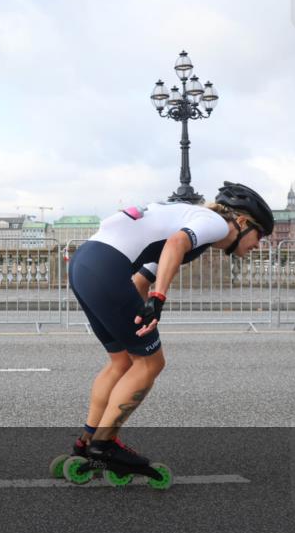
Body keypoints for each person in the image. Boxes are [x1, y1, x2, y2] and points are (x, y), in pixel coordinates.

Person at [63, 182, 273, 473]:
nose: (258, 245)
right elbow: (175, 244)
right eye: (259, 235)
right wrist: (157, 300)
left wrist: (136, 318)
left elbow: (143, 278)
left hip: (84, 264)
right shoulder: (214, 223)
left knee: (122, 361)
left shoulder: (187, 218)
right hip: (105, 269)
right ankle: (104, 444)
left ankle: (86, 442)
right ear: (241, 221)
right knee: (150, 363)